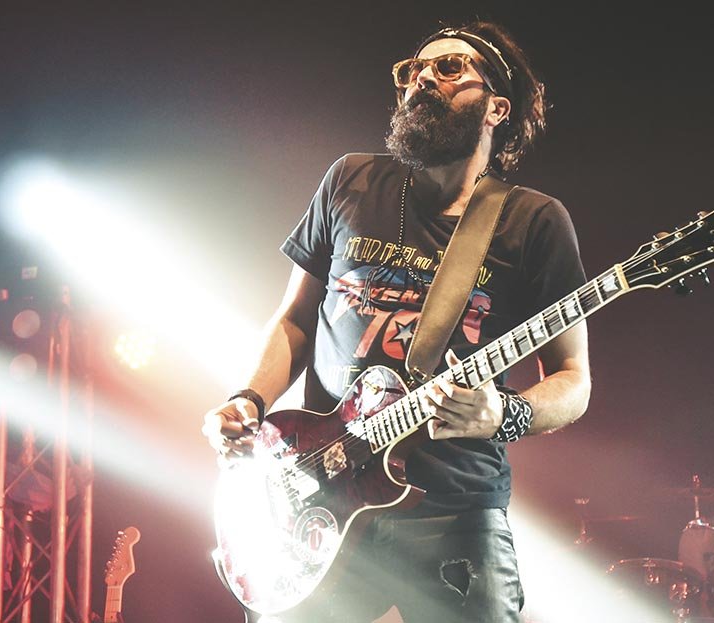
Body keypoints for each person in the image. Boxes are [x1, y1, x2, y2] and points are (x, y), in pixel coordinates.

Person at [203, 20, 591, 623]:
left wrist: (505, 414)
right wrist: (249, 399)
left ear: (497, 108)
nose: (422, 79)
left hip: (454, 509)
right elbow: (294, 321)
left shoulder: (534, 221)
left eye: (449, 67)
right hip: (320, 488)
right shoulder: (351, 181)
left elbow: (573, 380)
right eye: (413, 70)